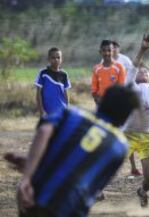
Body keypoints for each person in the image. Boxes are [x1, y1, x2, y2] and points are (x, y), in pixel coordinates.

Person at [4, 84, 139, 217]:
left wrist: (29, 172)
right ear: (126, 117)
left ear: (102, 101)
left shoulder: (71, 113)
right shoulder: (120, 146)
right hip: (71, 207)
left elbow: (44, 130)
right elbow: (94, 183)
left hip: (38, 192)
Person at [123, 34, 149, 207]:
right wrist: (142, 49)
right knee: (107, 167)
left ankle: (142, 191)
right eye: (140, 71)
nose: (142, 72)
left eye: (146, 71)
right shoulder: (130, 86)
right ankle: (94, 191)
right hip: (128, 134)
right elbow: (132, 68)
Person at [111, 40, 142, 176]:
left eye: (115, 47)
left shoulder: (125, 60)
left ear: (118, 48)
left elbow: (133, 76)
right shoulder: (104, 61)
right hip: (112, 101)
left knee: (130, 132)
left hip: (125, 98)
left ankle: (134, 167)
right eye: (110, 48)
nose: (113, 50)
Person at [35, 47, 71, 116]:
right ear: (49, 59)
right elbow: (38, 94)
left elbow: (66, 93)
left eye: (58, 57)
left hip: (61, 110)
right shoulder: (43, 73)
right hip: (47, 111)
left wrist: (67, 108)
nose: (56, 60)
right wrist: (41, 110)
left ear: (61, 59)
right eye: (53, 58)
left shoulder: (64, 74)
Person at [91, 40, 126, 105]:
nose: (107, 53)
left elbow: (121, 88)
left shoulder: (119, 67)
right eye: (104, 51)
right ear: (100, 52)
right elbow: (94, 88)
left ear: (113, 51)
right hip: (101, 103)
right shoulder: (96, 69)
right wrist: (98, 100)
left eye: (109, 50)